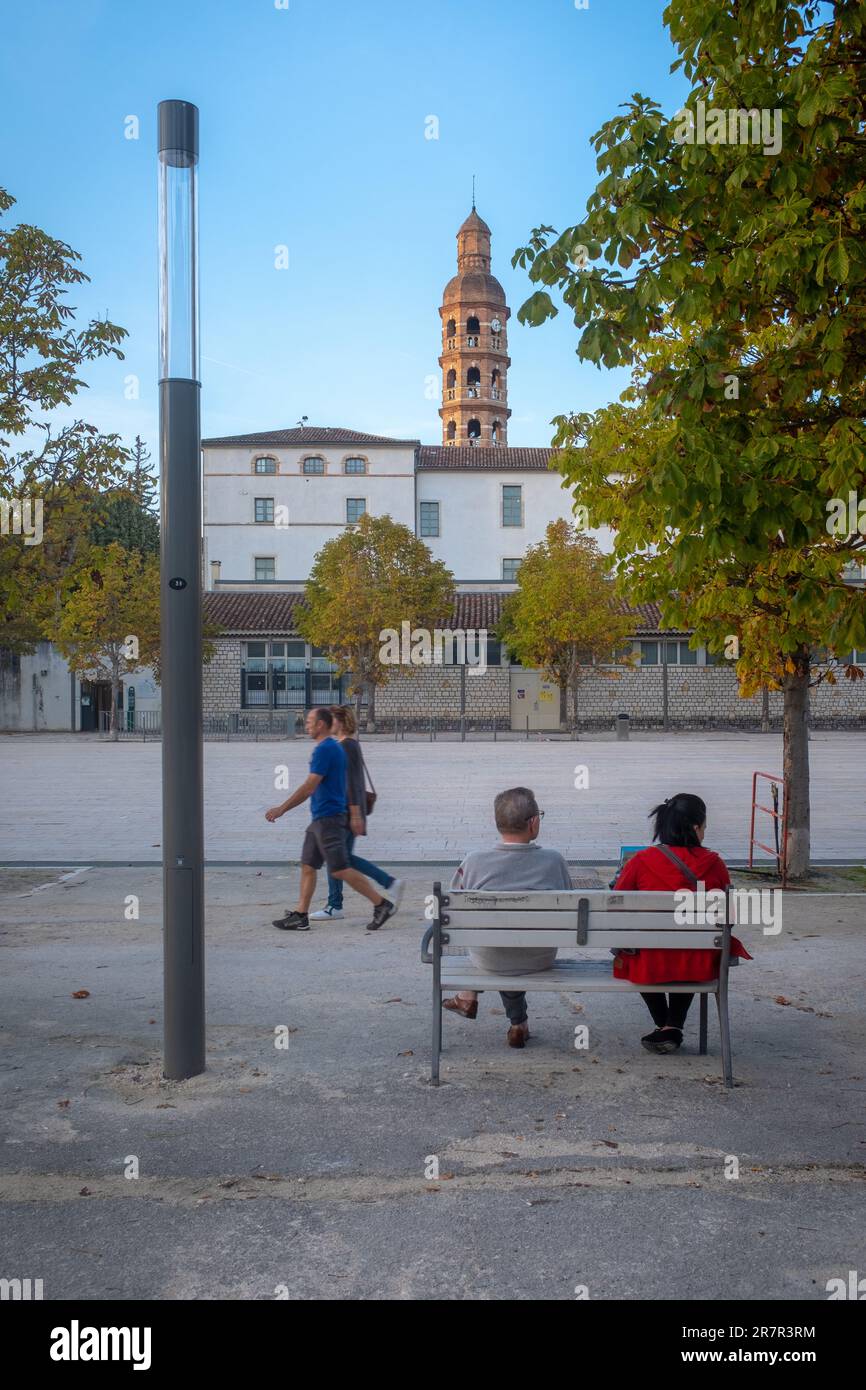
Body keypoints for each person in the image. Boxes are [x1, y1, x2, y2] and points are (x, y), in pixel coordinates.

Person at [613, 792, 751, 1053]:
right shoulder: (714, 864)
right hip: (697, 961)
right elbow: (728, 917)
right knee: (690, 949)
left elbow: (615, 907)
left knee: (635, 952)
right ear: (696, 827)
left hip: (648, 960)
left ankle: (665, 1025)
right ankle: (672, 1026)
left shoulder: (641, 861)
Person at [443, 786, 572, 1048]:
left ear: (497, 823)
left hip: (489, 957)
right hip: (540, 957)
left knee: (499, 941)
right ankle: (518, 1023)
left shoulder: (474, 861)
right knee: (515, 939)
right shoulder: (554, 861)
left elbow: (452, 912)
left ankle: (470, 997)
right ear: (534, 823)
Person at [266, 707, 397, 932]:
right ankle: (301, 915)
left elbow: (309, 786)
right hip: (320, 818)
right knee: (308, 865)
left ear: (321, 725)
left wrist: (282, 809)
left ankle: (381, 904)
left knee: (340, 868)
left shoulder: (326, 750)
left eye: (309, 721)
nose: (305, 725)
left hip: (328, 819)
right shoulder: (331, 748)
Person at [309, 705, 404, 920]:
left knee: (339, 860)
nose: (328, 724)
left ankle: (338, 904)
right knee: (342, 859)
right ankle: (339, 903)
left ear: (340, 722)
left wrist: (354, 814)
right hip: (349, 809)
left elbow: (350, 782)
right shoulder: (349, 745)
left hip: (346, 811)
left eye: (332, 720)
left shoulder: (345, 747)